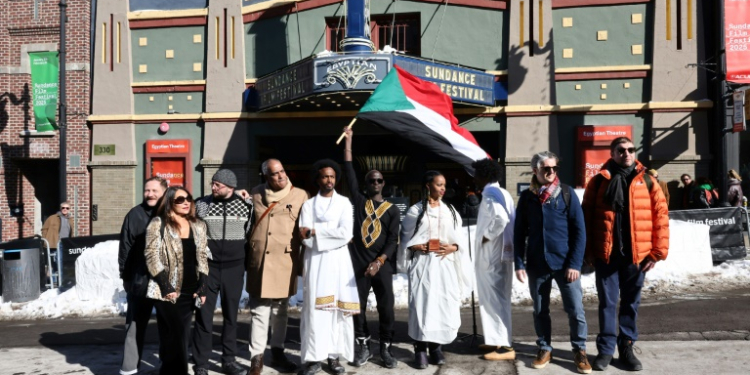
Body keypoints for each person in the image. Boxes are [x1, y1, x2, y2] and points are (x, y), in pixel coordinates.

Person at [582, 137, 669, 371]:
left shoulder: (648, 181)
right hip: (606, 255)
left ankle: (627, 346)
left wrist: (656, 253)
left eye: (631, 150)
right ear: (612, 153)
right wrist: (588, 250)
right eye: (621, 150)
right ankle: (606, 350)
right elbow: (586, 217)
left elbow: (661, 216)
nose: (627, 154)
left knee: (630, 303)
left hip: (637, 256)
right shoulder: (599, 181)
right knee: (607, 303)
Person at [514, 152, 591, 374]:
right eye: (546, 169)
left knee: (575, 309)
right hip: (537, 264)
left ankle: (579, 349)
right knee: (540, 310)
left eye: (554, 168)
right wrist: (519, 262)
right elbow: (519, 233)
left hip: (565, 264)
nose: (551, 172)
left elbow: (579, 231)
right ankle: (545, 347)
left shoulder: (566, 193)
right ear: (535, 171)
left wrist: (575, 264)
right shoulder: (527, 197)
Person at [398, 170, 470, 369]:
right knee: (422, 305)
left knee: (441, 305)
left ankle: (436, 347)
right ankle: (420, 348)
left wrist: (454, 247)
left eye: (444, 185)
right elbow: (405, 238)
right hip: (423, 264)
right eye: (439, 184)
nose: (443, 188)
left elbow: (459, 239)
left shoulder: (451, 211)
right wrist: (416, 246)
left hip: (444, 264)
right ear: (428, 185)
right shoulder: (415, 211)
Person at [342, 128, 400, 368]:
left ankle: (385, 348)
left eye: (378, 180)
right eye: (371, 180)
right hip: (358, 264)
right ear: (366, 184)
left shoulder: (392, 210)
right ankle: (363, 344)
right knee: (359, 308)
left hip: (382, 266)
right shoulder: (359, 201)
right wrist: (348, 142)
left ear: (383, 183)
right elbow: (348, 171)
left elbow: (392, 239)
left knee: (386, 307)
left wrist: (379, 261)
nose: (375, 182)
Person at [245, 159, 308, 375]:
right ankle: (256, 358)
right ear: (265, 176)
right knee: (259, 311)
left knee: (281, 310)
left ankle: (278, 352)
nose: (280, 176)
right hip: (260, 260)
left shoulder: (300, 195)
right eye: (274, 174)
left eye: (282, 171)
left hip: (285, 261)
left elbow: (306, 228)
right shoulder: (254, 194)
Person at [298, 159, 359, 375]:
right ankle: (314, 358)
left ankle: (334, 357)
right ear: (318, 179)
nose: (329, 180)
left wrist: (317, 231)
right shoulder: (308, 205)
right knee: (316, 311)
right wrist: (320, 233)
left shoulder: (344, 203)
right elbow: (304, 236)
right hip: (315, 261)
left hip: (339, 262)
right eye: (325, 176)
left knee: (337, 311)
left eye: (332, 176)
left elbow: (346, 234)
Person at [144, 186, 210, 375]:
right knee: (178, 334)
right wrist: (165, 285)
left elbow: (203, 256)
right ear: (170, 202)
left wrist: (203, 286)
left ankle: (167, 370)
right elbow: (151, 255)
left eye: (188, 198)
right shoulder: (158, 223)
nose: (186, 203)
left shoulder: (198, 225)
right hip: (166, 290)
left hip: (190, 290)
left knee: (172, 335)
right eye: (180, 200)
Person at [192, 170, 251, 375]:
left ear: (230, 187)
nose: (213, 187)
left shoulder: (245, 205)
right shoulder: (202, 204)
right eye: (213, 183)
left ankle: (229, 361)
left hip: (235, 268)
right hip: (208, 268)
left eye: (218, 185)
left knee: (231, 317)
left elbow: (251, 232)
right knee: (203, 315)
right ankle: (201, 364)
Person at [118, 177, 167, 375]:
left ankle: (168, 366)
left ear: (164, 192)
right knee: (134, 326)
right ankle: (129, 369)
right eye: (147, 190)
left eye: (155, 190)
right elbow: (125, 249)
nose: (150, 194)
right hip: (140, 281)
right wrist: (126, 277)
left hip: (166, 284)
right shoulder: (134, 214)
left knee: (168, 327)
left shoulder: (172, 214)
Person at [470, 159, 517, 361]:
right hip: (499, 256)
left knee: (494, 299)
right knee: (496, 298)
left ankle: (505, 347)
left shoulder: (490, 196)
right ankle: (495, 339)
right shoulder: (503, 192)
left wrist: (485, 237)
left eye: (476, 174)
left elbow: (500, 219)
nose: (474, 178)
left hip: (492, 257)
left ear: (485, 176)